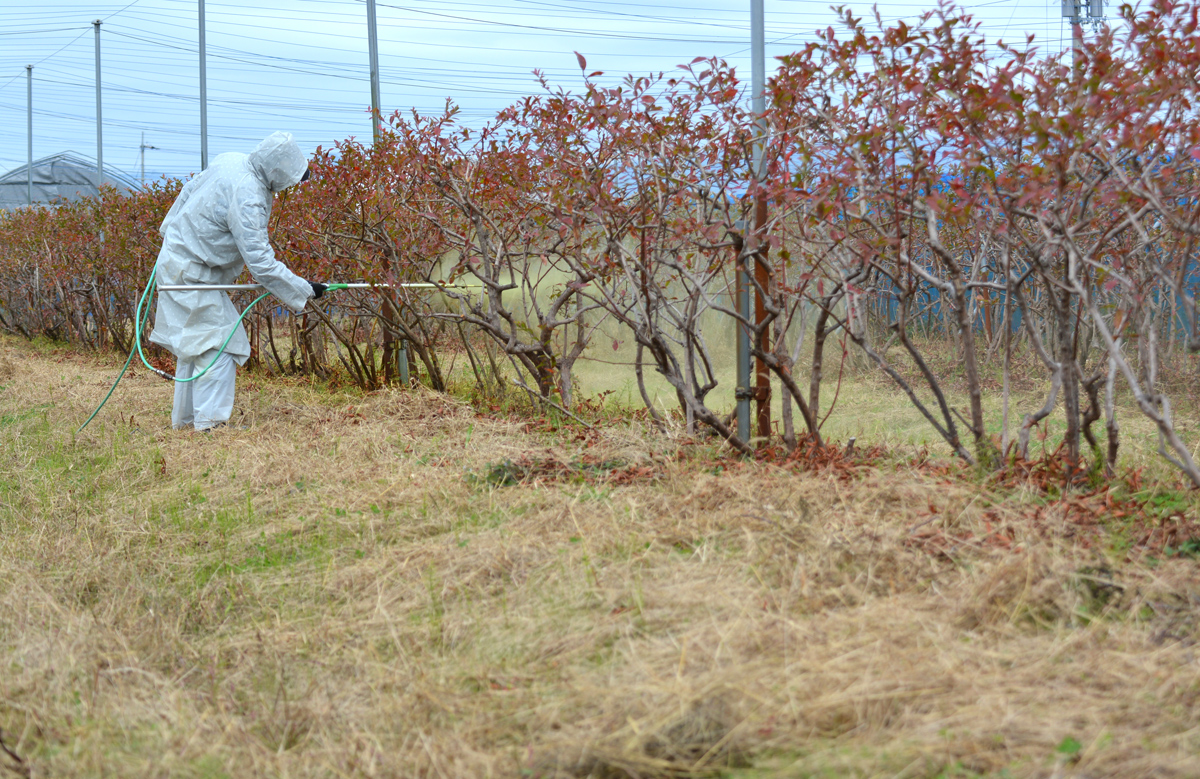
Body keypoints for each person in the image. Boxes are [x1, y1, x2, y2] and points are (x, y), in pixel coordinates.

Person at [149, 131, 327, 431]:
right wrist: (304, 289)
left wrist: (171, 234)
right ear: (278, 170)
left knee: (195, 344)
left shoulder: (231, 160)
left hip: (179, 262)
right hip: (191, 272)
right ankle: (210, 425)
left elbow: (188, 190)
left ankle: (187, 422)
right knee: (220, 343)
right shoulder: (249, 195)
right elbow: (261, 262)